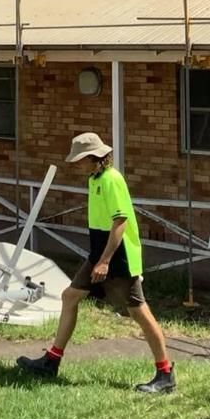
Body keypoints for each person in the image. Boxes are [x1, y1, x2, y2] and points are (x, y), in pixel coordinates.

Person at [17, 131, 175, 394]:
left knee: (139, 312)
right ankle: (51, 362)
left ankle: (165, 374)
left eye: (80, 160)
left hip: (118, 256)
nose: (77, 165)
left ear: (95, 157)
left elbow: (121, 221)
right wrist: (98, 258)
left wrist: (105, 261)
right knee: (70, 296)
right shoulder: (95, 179)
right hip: (99, 253)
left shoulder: (112, 180)